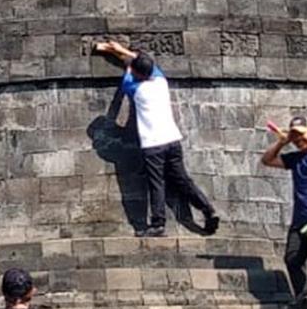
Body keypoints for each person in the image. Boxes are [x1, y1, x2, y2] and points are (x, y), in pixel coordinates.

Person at [93, 41, 220, 238]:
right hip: (172, 139)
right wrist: (122, 50)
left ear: (136, 73)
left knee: (157, 183)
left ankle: (158, 223)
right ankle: (207, 209)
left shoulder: (133, 88)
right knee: (182, 179)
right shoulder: (161, 82)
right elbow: (138, 62)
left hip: (153, 144)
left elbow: (128, 66)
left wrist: (115, 50)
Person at [261, 115, 307, 295]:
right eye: (294, 136)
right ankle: (303, 297)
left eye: (301, 135)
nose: (298, 139)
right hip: (299, 221)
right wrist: (282, 143)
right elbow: (267, 160)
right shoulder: (295, 158)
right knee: (292, 260)